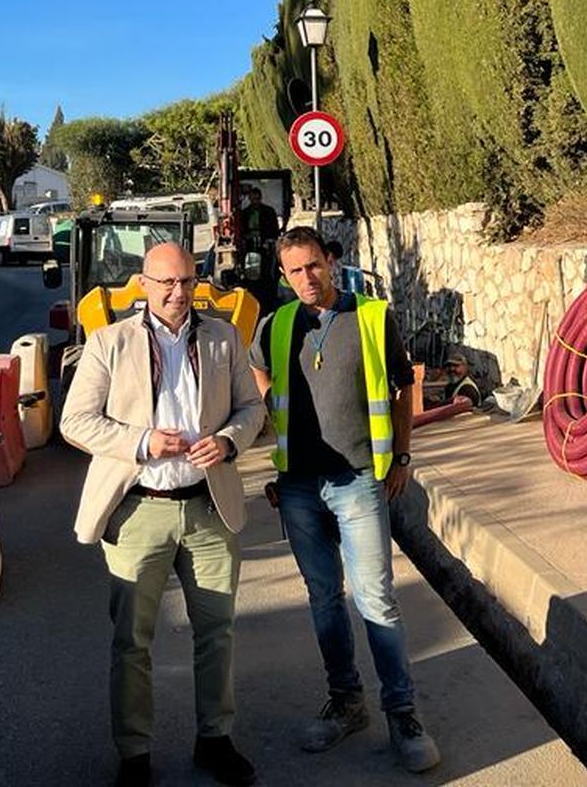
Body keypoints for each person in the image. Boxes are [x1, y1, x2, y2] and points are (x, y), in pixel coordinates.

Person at [62, 241, 266, 787]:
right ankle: (134, 754)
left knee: (217, 633)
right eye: (166, 283)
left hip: (207, 509)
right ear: (145, 284)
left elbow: (253, 408)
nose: (178, 293)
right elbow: (75, 422)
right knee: (133, 642)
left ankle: (215, 741)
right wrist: (143, 441)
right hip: (138, 513)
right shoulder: (109, 342)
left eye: (186, 282)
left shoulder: (224, 339)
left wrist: (227, 441)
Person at [249, 227, 442, 773]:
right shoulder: (278, 324)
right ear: (283, 277)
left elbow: (405, 386)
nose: (306, 279)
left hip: (358, 478)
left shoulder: (373, 318)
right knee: (323, 599)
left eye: (313, 266)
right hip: (299, 487)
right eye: (294, 271)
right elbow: (256, 367)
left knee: (375, 598)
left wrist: (401, 457)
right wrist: (270, 405)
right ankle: (347, 701)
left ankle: (402, 712)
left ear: (330, 262)